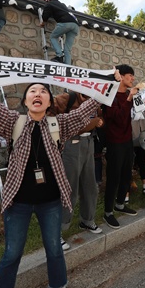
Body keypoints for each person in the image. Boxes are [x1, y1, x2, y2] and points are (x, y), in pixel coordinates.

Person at [0, 51, 120, 288]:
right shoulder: (11, 122)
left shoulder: (58, 124)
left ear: (49, 101)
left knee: (54, 249)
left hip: (50, 202)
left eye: (43, 91)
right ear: (26, 100)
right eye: (32, 91)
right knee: (12, 253)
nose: (37, 94)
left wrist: (110, 84)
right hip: (18, 202)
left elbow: (87, 108)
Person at [54, 91, 104, 250]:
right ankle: (58, 231)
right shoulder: (67, 98)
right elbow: (53, 117)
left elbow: (99, 116)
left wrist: (98, 121)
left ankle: (87, 220)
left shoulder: (94, 99)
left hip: (89, 143)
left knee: (90, 186)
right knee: (69, 189)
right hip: (71, 144)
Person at [102, 64, 139, 229]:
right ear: (121, 77)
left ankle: (120, 204)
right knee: (113, 177)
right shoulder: (110, 95)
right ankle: (108, 212)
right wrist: (130, 98)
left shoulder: (130, 95)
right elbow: (117, 117)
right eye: (130, 75)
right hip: (114, 141)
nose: (132, 79)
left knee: (126, 174)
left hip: (127, 140)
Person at [40, 0, 79, 65]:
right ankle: (68, 65)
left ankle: (59, 55)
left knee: (53, 37)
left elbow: (45, 16)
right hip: (75, 25)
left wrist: (43, 23)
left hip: (65, 23)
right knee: (67, 49)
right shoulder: (63, 5)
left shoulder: (49, 4)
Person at [131, 82, 145, 195]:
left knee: (141, 160)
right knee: (131, 162)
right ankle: (132, 184)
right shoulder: (131, 105)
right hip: (132, 137)